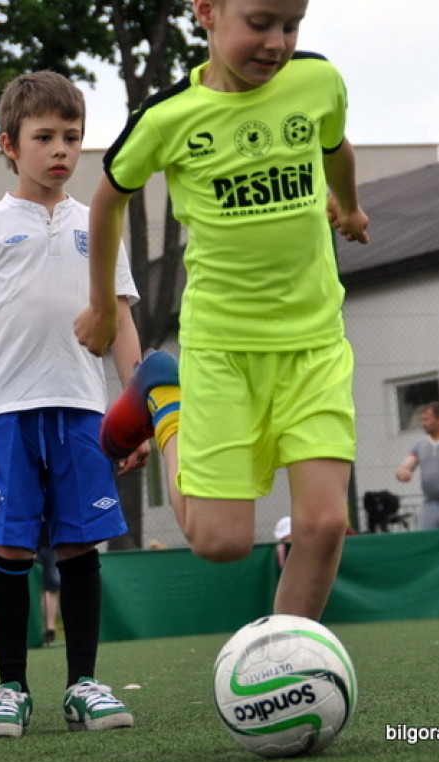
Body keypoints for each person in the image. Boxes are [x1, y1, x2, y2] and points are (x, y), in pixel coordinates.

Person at [76, 0, 370, 624]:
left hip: (314, 343)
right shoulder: (168, 118)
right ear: (206, 13)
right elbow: (107, 201)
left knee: (325, 521)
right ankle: (165, 400)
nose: (277, 42)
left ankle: (286, 668)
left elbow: (335, 146)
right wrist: (104, 305)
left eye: (291, 26)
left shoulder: (318, 81)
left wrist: (348, 204)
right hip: (222, 353)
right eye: (260, 24)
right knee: (220, 542)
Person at [0, 71, 144, 740]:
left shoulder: (100, 222)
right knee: (12, 548)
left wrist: (140, 411)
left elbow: (116, 316)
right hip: (5, 415)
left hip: (84, 411)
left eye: (73, 137)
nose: (61, 149)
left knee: (83, 546)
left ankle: (84, 683)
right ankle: (10, 688)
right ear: (8, 144)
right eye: (45, 137)